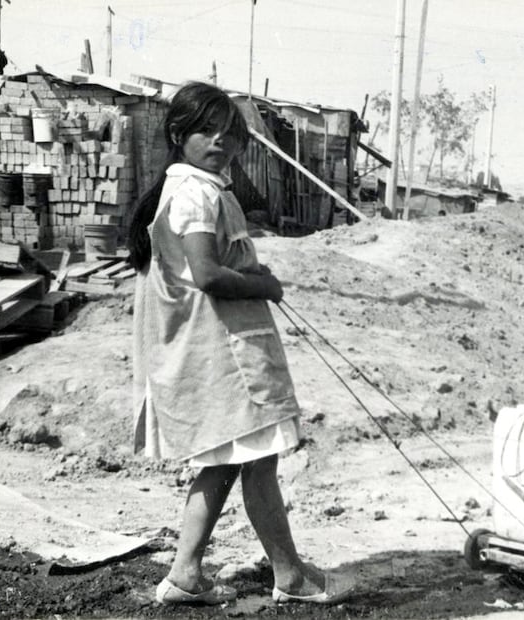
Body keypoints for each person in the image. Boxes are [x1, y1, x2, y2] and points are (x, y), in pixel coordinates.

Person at [128, 81, 354, 606]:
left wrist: (251, 272)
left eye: (232, 135)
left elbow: (214, 265)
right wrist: (265, 285)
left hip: (227, 347)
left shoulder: (204, 188)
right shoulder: (195, 194)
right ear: (178, 134)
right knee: (258, 460)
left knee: (228, 461)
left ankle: (185, 574)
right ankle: (290, 575)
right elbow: (207, 274)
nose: (222, 144)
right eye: (208, 132)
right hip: (226, 354)